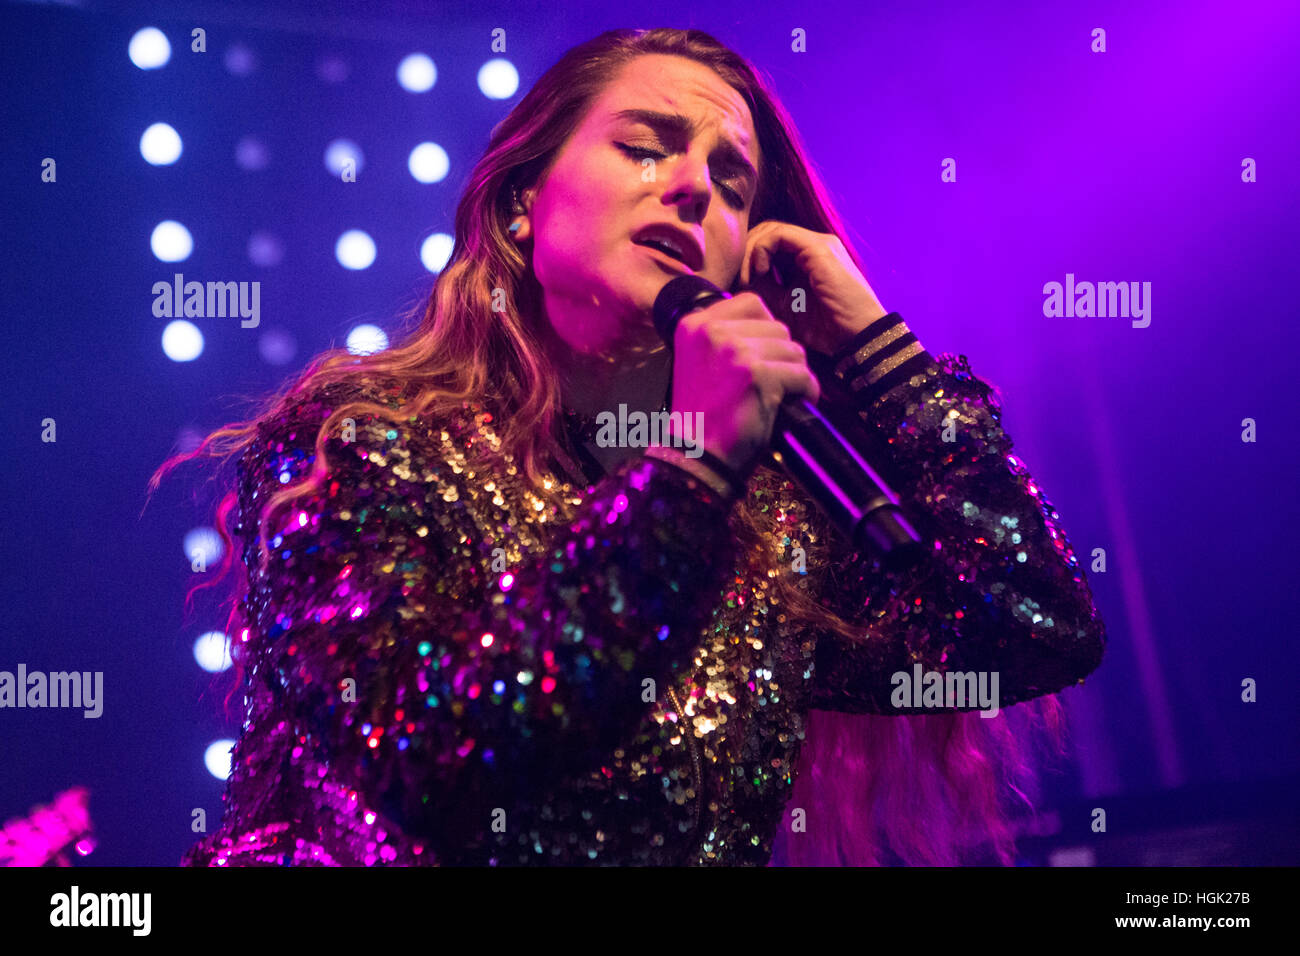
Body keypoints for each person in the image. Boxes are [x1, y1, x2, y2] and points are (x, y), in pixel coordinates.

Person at [155, 27, 1106, 867]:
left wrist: (876, 345)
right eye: (646, 149)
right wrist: (690, 469)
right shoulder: (358, 446)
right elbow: (442, 748)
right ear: (523, 202)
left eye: (732, 182)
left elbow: (1033, 627)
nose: (694, 185)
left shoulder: (769, 529)